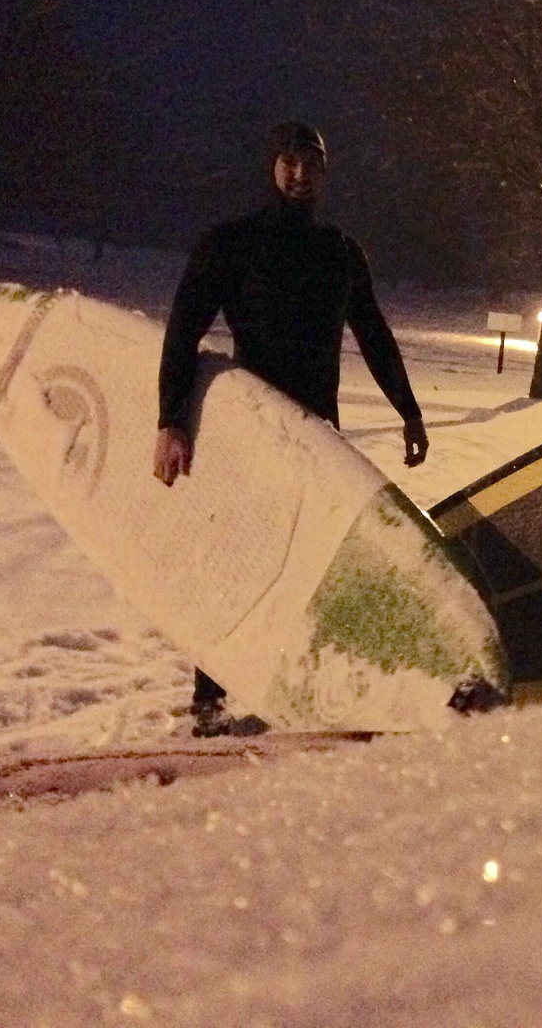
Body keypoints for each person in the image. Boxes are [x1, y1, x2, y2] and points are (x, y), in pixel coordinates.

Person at [153, 121, 431, 736]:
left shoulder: (340, 253)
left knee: (312, 564)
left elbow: (376, 338)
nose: (299, 173)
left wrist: (409, 410)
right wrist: (172, 419)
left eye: (310, 162)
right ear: (272, 166)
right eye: (288, 160)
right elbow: (182, 330)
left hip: (317, 436)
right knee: (235, 562)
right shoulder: (232, 244)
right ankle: (210, 702)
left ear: (325, 172)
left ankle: (298, 684)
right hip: (250, 433)